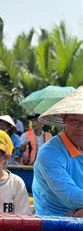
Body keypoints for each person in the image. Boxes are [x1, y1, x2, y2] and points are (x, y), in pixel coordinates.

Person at [33, 86, 83, 217]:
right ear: (64, 118)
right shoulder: (49, 153)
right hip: (55, 218)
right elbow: (71, 196)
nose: (81, 127)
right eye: (75, 121)